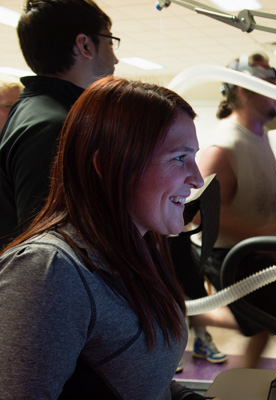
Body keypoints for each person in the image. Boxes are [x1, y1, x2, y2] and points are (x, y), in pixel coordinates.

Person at [0, 77, 219, 400]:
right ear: (107, 165)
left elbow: (150, 383)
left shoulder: (137, 250)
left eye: (194, 157)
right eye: (178, 158)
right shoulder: (48, 272)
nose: (197, 178)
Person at [187, 52, 276, 369]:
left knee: (274, 320)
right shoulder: (224, 145)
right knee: (263, 322)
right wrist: (262, 234)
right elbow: (198, 213)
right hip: (229, 255)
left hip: (258, 251)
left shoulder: (259, 136)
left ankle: (239, 387)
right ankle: (187, 312)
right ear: (244, 90)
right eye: (269, 84)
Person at [0, 0, 118, 248]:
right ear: (84, 45)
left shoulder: (42, 111)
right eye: (109, 42)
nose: (115, 58)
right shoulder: (53, 126)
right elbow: (43, 247)